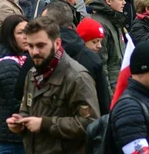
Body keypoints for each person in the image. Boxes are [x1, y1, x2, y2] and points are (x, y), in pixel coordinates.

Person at [6, 17, 100, 154]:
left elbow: (90, 123)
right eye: (30, 46)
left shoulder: (77, 77)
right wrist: (20, 123)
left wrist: (45, 124)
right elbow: (27, 110)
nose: (34, 52)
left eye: (40, 45)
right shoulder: (32, 74)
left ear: (57, 43)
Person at [43, 1, 111, 115]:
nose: (99, 46)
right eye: (94, 42)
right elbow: (103, 102)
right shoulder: (91, 60)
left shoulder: (40, 53)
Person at [0, 15, 28, 154]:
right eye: (20, 33)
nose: (26, 36)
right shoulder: (8, 65)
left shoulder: (21, 59)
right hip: (12, 139)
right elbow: (16, 103)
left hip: (15, 136)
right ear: (9, 36)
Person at [88, 0, 128, 90]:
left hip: (119, 82)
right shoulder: (101, 24)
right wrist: (108, 96)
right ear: (108, 1)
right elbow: (102, 64)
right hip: (112, 85)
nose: (124, 2)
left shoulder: (115, 20)